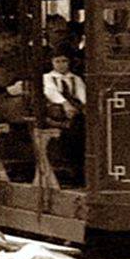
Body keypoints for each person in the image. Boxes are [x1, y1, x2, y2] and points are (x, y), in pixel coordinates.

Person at [43, 47, 87, 184]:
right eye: (57, 61)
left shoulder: (75, 79)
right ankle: (71, 165)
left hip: (74, 111)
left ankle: (79, 166)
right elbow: (51, 92)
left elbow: (82, 94)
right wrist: (65, 104)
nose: (61, 64)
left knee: (79, 125)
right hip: (55, 112)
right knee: (73, 127)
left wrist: (83, 106)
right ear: (52, 62)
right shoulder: (47, 77)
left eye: (64, 61)